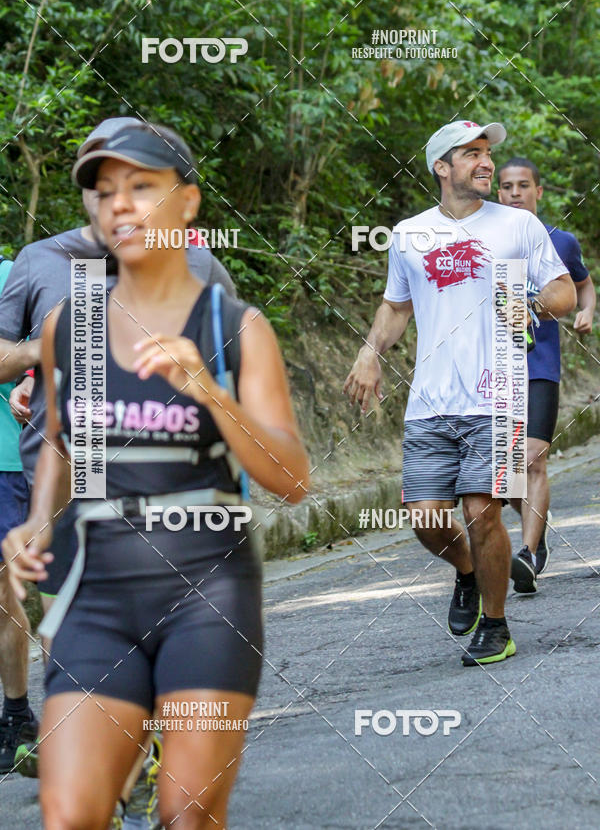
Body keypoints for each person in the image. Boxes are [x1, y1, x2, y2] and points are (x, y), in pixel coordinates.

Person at [3, 121, 310, 829]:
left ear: (189, 203)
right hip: (99, 590)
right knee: (72, 812)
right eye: (104, 192)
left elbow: (291, 479)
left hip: (208, 588)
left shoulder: (234, 323)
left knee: (186, 813)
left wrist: (209, 391)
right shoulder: (67, 323)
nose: (119, 206)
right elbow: (60, 436)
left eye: (141, 187)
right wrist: (36, 521)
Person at [343, 119, 576, 666]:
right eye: (470, 153)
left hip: (500, 396)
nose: (486, 162)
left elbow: (563, 289)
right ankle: (468, 573)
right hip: (430, 400)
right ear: (441, 168)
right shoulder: (410, 233)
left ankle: (496, 626)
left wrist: (536, 305)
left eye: (487, 152)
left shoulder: (518, 226)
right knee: (425, 517)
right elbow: (396, 307)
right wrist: (370, 353)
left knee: (481, 510)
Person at [497, 157, 596, 593]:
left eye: (523, 185)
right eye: (506, 186)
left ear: (539, 191)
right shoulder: (483, 242)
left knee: (532, 458)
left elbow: (583, 284)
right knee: (505, 474)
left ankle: (528, 553)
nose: (514, 193)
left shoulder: (561, 241)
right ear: (495, 192)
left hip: (539, 367)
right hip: (494, 369)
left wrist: (587, 310)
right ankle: (537, 527)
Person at [0, 257, 38, 774]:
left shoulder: (14, 274)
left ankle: (17, 715)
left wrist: (29, 379)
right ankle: (18, 715)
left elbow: (60, 346)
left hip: (11, 462)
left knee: (11, 593)